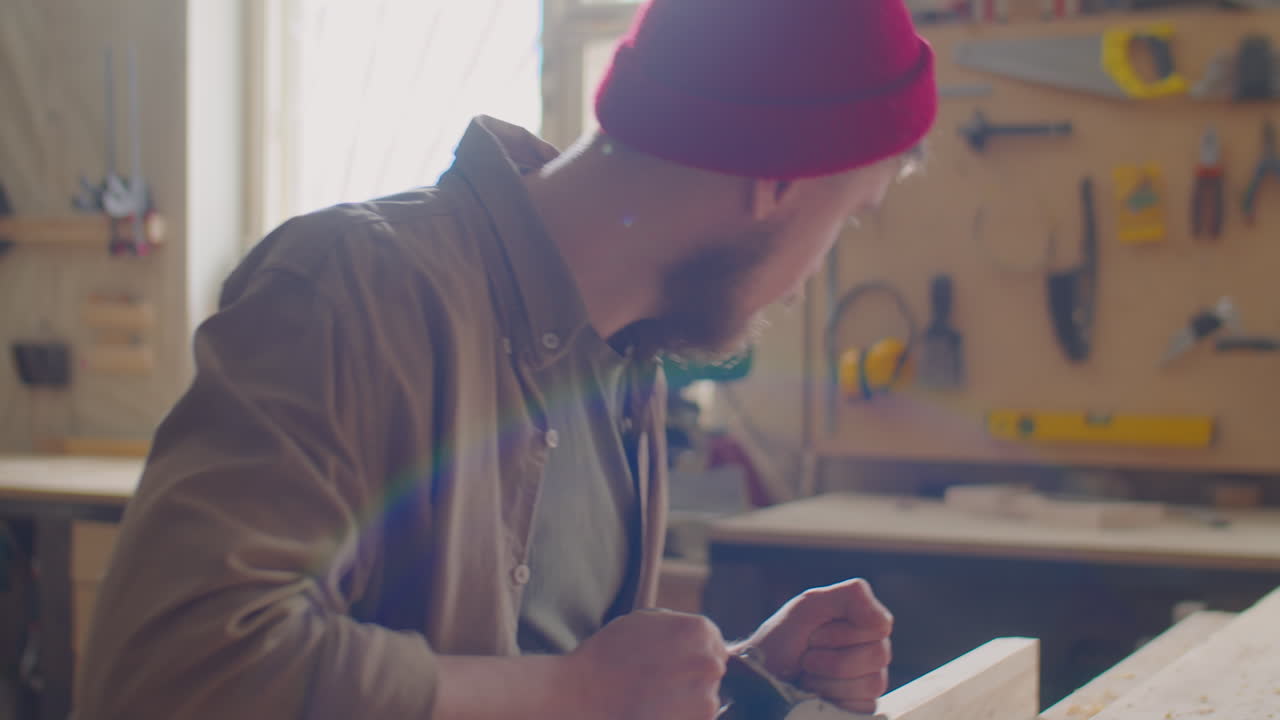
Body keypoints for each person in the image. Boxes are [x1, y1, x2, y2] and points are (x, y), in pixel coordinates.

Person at [73, 0, 937, 718]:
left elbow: (526, 677)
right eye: (846, 217)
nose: (813, 275)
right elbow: (171, 672)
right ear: (776, 183)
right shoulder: (352, 290)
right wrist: (574, 689)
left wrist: (737, 682)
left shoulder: (628, 359)